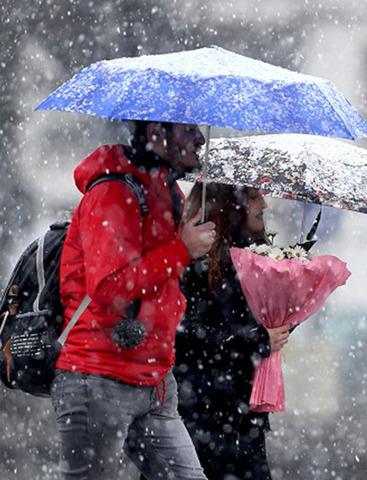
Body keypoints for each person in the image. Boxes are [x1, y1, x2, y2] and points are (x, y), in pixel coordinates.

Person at [53, 120, 216, 479]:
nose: (200, 139)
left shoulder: (167, 191)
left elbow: (161, 281)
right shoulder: (113, 192)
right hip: (98, 379)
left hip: (155, 380)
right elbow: (109, 288)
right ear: (157, 130)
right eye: (188, 130)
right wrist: (181, 250)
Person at [174, 182, 291, 480]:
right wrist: (256, 340)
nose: (263, 204)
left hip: (237, 415)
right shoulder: (191, 264)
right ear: (231, 206)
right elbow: (184, 335)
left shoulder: (251, 262)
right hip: (200, 414)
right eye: (254, 198)